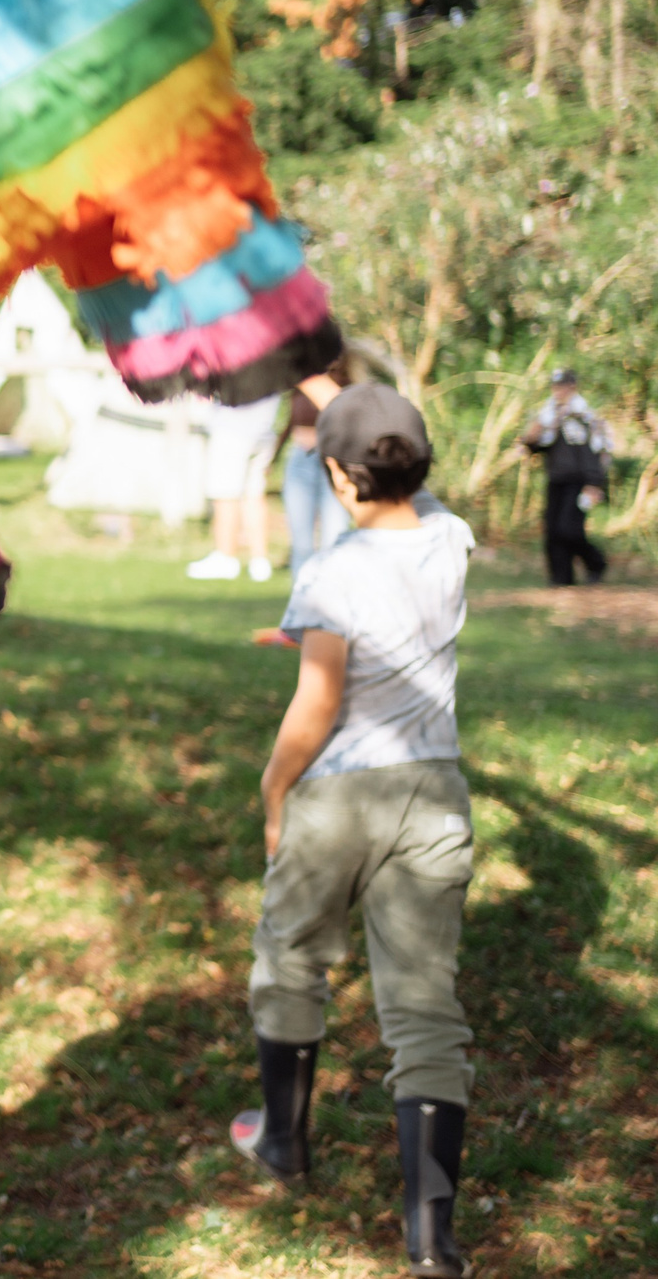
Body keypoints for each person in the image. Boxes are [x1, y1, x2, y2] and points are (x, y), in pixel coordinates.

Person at [231, 383, 476, 1279]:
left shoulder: (332, 570)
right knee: (424, 1007)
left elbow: (320, 702)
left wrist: (272, 785)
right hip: (435, 792)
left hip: (340, 794)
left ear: (338, 474)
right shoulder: (450, 538)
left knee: (292, 952)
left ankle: (284, 1144)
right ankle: (431, 1240)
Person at [523, 367, 612, 586]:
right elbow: (535, 445)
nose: (558, 391)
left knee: (569, 529)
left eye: (562, 386)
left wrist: (594, 483)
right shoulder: (549, 414)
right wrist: (535, 430)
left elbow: (594, 452)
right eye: (555, 386)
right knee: (553, 531)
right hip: (556, 479)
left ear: (572, 387)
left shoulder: (584, 416)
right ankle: (561, 579)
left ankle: (596, 562)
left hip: (579, 481)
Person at [188, 394, 279, 582]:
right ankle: (259, 561)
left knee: (225, 495)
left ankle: (225, 556)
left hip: (234, 429)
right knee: (253, 494)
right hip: (263, 427)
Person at [275, 364, 350, 582]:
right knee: (301, 544)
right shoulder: (298, 386)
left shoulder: (342, 387)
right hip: (300, 458)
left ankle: (331, 597)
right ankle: (301, 602)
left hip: (332, 461)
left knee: (333, 538)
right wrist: (273, 458)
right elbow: (289, 424)